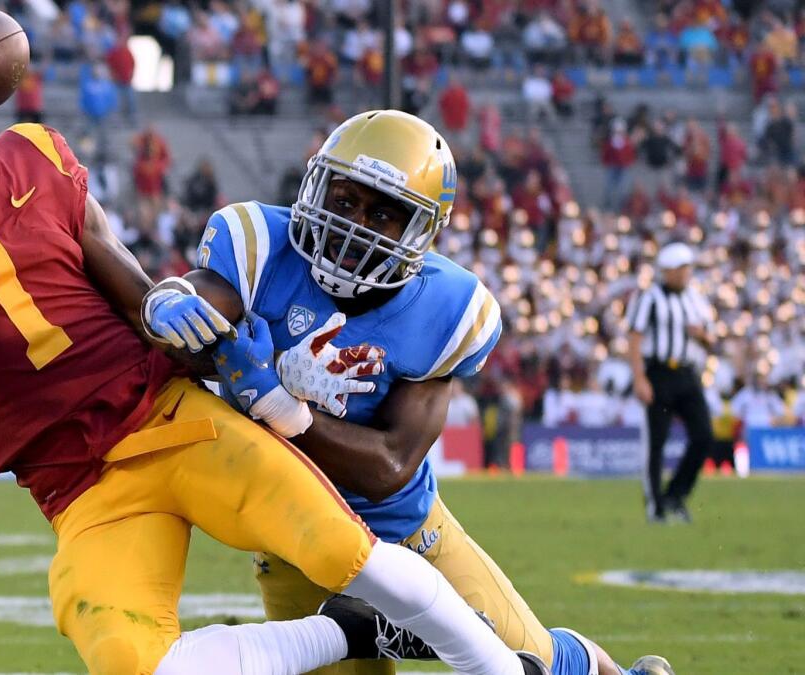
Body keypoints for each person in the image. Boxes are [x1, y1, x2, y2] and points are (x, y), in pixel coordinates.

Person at [0, 52, 532, 675]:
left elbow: (135, 289)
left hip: (171, 414)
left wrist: (180, 309)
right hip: (74, 480)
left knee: (347, 549)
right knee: (132, 661)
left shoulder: (33, 153)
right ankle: (356, 631)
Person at [171, 110, 671, 675]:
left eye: (383, 213)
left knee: (528, 662)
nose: (354, 224)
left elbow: (390, 465)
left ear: (419, 231)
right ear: (315, 188)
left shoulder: (448, 308)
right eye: (344, 199)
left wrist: (279, 403)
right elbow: (189, 316)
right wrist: (164, 299)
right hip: (295, 535)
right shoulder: (259, 244)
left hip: (399, 532)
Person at [625, 242, 715, 524]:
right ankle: (656, 506)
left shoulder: (695, 299)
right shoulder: (649, 298)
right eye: (683, 268)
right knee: (656, 443)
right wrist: (639, 378)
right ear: (670, 271)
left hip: (687, 374)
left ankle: (676, 494)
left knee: (704, 436)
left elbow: (711, 339)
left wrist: (701, 335)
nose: (688, 273)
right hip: (659, 374)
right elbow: (635, 338)